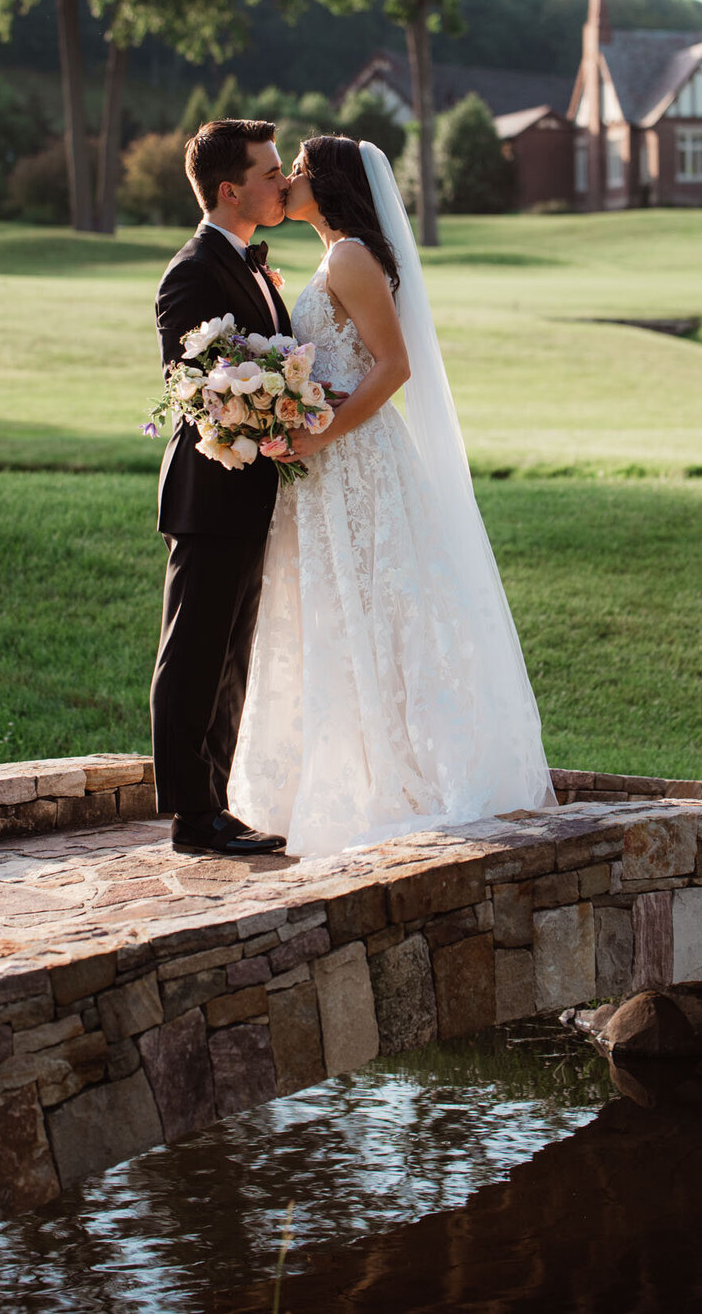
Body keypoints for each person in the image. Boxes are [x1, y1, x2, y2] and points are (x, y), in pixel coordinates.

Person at [229, 134, 554, 858]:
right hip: (325, 464)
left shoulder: (349, 256)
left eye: (300, 173)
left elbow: (393, 365)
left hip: (356, 462)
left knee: (373, 611)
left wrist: (320, 434)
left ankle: (400, 776)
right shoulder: (331, 256)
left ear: (333, 185)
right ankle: (344, 772)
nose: (287, 183)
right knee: (339, 614)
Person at [150, 120, 293, 856]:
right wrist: (270, 400)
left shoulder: (257, 266)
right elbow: (193, 386)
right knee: (194, 652)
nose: (282, 182)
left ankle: (214, 802)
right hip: (209, 491)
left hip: (252, 493)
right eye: (270, 172)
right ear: (231, 188)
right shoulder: (191, 270)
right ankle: (189, 813)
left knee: (232, 655)